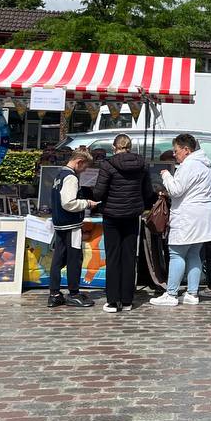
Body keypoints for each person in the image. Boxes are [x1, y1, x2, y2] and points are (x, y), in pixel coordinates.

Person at [93, 133, 156, 314]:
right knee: (129, 257)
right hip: (131, 215)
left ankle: (113, 301)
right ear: (130, 146)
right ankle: (127, 300)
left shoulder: (108, 164)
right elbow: (148, 192)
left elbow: (98, 193)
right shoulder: (142, 164)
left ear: (114, 147)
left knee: (113, 257)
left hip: (111, 215)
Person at [153, 133, 211, 307]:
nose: (174, 154)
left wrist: (166, 176)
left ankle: (172, 294)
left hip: (188, 216)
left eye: (176, 151)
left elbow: (176, 190)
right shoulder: (204, 167)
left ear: (186, 150)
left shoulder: (189, 166)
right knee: (194, 254)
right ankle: (192, 293)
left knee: (177, 254)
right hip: (202, 216)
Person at [49, 151, 97, 309]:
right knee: (74, 259)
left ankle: (54, 293)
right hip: (71, 225)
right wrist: (86, 203)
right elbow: (68, 203)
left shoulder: (59, 175)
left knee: (58, 259)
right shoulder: (71, 177)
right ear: (79, 162)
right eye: (84, 167)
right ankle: (74, 293)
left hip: (60, 223)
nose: (84, 171)